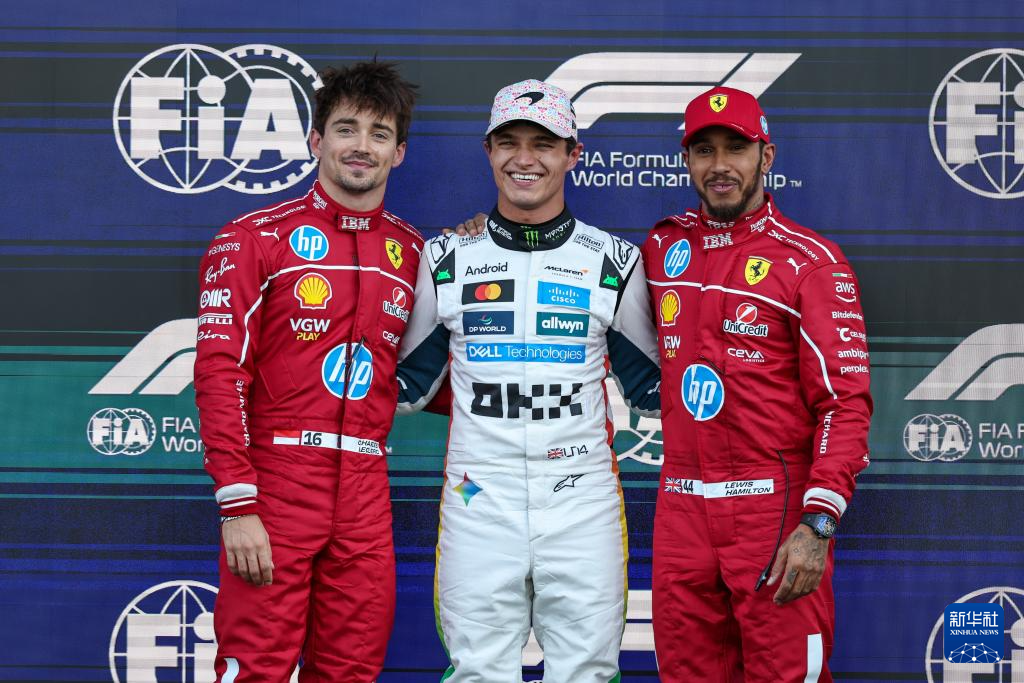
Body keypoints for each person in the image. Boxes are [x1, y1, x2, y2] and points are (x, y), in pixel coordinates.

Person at [395, 79, 660, 682]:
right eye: (509, 142)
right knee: (478, 671)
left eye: (543, 143)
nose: (525, 158)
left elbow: (654, 391)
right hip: (477, 496)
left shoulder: (616, 261)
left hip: (582, 498)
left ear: (573, 154)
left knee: (587, 671)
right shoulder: (444, 258)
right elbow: (406, 388)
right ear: (488, 151)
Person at [193, 61, 421, 682]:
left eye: (379, 134)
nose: (361, 146)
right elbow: (219, 375)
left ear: (398, 153)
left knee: (352, 670)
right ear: (316, 140)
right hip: (275, 483)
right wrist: (238, 503)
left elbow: (435, 375)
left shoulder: (416, 253)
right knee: (255, 669)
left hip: (367, 488)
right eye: (346, 129)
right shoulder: (253, 238)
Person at [643, 87, 872, 681]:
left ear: (765, 156)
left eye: (736, 148)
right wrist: (487, 233)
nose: (720, 166)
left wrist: (818, 523)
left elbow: (845, 404)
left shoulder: (812, 261)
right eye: (704, 150)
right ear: (686, 160)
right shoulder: (662, 247)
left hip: (773, 510)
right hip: (681, 509)